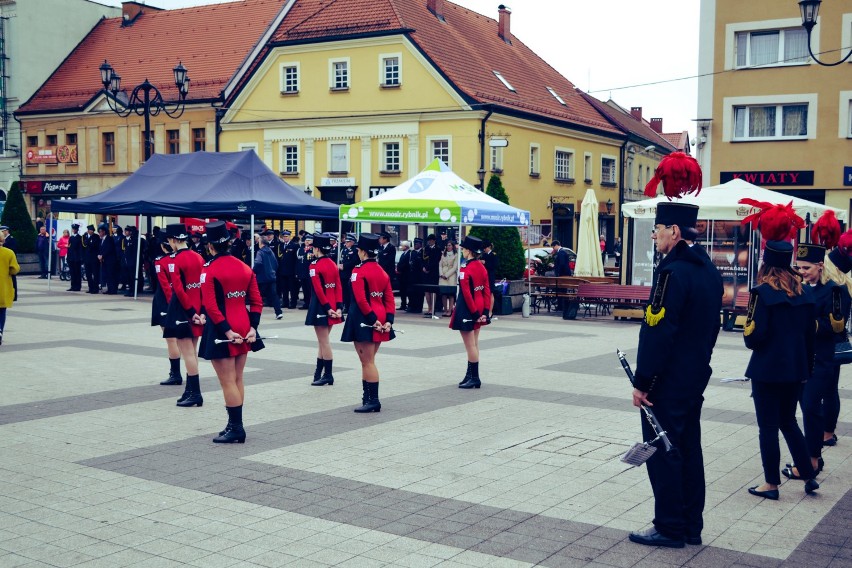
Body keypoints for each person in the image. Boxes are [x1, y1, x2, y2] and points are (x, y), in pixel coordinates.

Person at [628, 202, 722, 549]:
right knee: (688, 449)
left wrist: (642, 383)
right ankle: (690, 525)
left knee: (664, 451)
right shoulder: (709, 271)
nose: (654, 234)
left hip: (667, 383)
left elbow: (658, 332)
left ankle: (669, 525)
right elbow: (713, 326)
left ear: (675, 232)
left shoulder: (672, 273)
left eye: (659, 228)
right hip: (695, 375)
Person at [743, 240, 819, 499]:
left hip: (767, 370)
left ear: (766, 262)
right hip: (796, 370)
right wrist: (806, 369)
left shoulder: (761, 293)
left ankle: (771, 484)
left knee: (768, 427)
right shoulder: (806, 293)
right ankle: (808, 475)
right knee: (789, 422)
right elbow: (811, 337)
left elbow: (753, 338)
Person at [783, 240, 849, 480]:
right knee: (805, 408)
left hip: (823, 359)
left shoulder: (835, 290)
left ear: (820, 266)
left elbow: (836, 327)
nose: (802, 273)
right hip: (801, 358)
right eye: (798, 268)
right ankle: (812, 458)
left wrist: (805, 324)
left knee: (811, 407)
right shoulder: (801, 288)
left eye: (806, 268)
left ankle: (811, 459)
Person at [199, 221, 264, 444]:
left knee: (227, 381)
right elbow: (256, 301)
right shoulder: (245, 267)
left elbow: (211, 306)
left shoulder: (209, 269)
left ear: (210, 246)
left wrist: (227, 332)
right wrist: (253, 327)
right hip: (244, 326)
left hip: (222, 328)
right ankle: (234, 424)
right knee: (237, 378)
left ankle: (236, 428)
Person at [340, 233, 395, 413]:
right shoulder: (382, 271)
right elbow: (389, 299)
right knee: (368, 361)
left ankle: (373, 401)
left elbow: (361, 300)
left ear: (361, 251)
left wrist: (374, 321)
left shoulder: (358, 271)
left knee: (368, 362)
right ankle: (367, 398)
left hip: (365, 319)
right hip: (379, 316)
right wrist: (388, 320)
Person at [162, 223, 206, 408]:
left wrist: (190, 312)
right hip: (197, 306)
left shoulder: (175, 260)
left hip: (183, 309)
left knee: (187, 352)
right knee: (192, 352)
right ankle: (189, 390)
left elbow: (178, 290)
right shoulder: (199, 257)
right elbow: (204, 285)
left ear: (173, 240)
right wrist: (200, 311)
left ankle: (195, 393)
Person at [450, 236, 491, 388]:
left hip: (468, 307)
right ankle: (470, 375)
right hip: (480, 305)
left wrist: (473, 314)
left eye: (464, 249)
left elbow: (466, 293)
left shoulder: (465, 268)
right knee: (474, 343)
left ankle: (474, 377)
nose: (462, 251)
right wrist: (485, 311)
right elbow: (487, 290)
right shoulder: (482, 267)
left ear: (469, 251)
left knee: (470, 345)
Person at [306, 233, 344, 386]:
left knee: (324, 342)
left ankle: (327, 375)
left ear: (316, 248)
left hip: (321, 306)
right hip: (334, 304)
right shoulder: (332, 264)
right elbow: (338, 286)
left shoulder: (314, 265)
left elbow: (318, 290)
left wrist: (327, 308)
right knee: (323, 342)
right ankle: (318, 373)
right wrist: (339, 307)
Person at [150, 235, 183, 387]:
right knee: (183, 340)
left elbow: (165, 286)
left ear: (164, 246)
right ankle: (184, 371)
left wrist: (171, 307)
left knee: (171, 339)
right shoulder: (181, 258)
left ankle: (175, 374)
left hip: (165, 302)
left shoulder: (160, 261)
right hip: (183, 300)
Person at [253, 230, 283, 320]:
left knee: (258, 296)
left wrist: (254, 271)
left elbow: (257, 263)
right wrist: (272, 271)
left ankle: (255, 314)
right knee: (274, 295)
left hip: (262, 278)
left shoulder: (260, 252)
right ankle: (279, 312)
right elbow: (276, 264)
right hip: (272, 276)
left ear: (261, 243)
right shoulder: (270, 251)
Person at [0, 232, 19, 346]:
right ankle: (0, 330)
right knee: (2, 311)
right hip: (3, 287)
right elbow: (14, 269)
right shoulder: (8, 252)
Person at [339, 233, 358, 314]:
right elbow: (341, 259)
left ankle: (349, 307)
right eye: (346, 242)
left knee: (350, 291)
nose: (346, 243)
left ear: (352, 242)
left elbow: (355, 261)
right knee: (344, 291)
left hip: (350, 273)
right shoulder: (344, 249)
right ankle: (345, 306)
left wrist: (344, 266)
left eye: (348, 242)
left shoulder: (355, 250)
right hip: (343, 273)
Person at [97, 224, 119, 294]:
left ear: (104, 232)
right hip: (104, 260)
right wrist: (99, 255)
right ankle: (109, 289)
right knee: (107, 275)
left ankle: (113, 290)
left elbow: (109, 249)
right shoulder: (101, 240)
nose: (99, 233)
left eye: (100, 232)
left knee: (111, 275)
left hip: (110, 260)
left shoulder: (109, 239)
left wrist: (102, 255)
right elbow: (100, 248)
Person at [439, 240, 458, 317]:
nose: (448, 247)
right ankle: (445, 309)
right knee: (443, 294)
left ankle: (450, 310)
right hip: (442, 276)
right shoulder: (443, 254)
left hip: (451, 276)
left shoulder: (456, 255)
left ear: (453, 246)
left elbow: (455, 267)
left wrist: (446, 275)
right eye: (447, 245)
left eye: (450, 245)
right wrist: (441, 274)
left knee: (450, 294)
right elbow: (440, 265)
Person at [296, 233, 314, 309]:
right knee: (304, 289)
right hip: (302, 273)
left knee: (310, 289)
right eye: (306, 240)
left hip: (309, 273)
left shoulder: (313, 249)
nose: (307, 242)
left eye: (309, 240)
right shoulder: (301, 249)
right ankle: (306, 303)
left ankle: (311, 304)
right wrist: (297, 272)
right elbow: (297, 261)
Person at [407, 238, 424, 313]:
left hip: (420, 275)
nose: (415, 245)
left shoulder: (423, 252)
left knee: (419, 293)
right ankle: (412, 306)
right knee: (412, 292)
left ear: (420, 244)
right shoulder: (412, 252)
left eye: (416, 244)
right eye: (414, 244)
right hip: (412, 275)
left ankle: (418, 307)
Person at [82, 225, 100, 294]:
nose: (90, 231)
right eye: (89, 230)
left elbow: (94, 245)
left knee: (95, 274)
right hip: (87, 258)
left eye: (92, 230)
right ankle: (90, 288)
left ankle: (96, 288)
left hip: (94, 258)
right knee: (88, 274)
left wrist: (88, 241)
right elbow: (84, 245)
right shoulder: (85, 236)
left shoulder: (96, 237)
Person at [66, 223, 83, 291]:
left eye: (75, 229)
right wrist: (68, 256)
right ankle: (73, 286)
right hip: (71, 257)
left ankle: (78, 286)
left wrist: (80, 258)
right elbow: (69, 248)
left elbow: (80, 249)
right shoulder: (71, 237)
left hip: (77, 258)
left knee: (77, 272)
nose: (74, 230)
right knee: (72, 273)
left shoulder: (79, 237)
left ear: (77, 230)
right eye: (73, 229)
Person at [396, 240, 411, 311]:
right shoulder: (403, 254)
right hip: (401, 275)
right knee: (402, 290)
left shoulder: (409, 254)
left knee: (407, 290)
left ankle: (408, 304)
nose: (401, 247)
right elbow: (400, 263)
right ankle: (403, 304)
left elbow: (406, 264)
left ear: (406, 247)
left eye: (402, 246)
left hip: (406, 275)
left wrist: (400, 269)